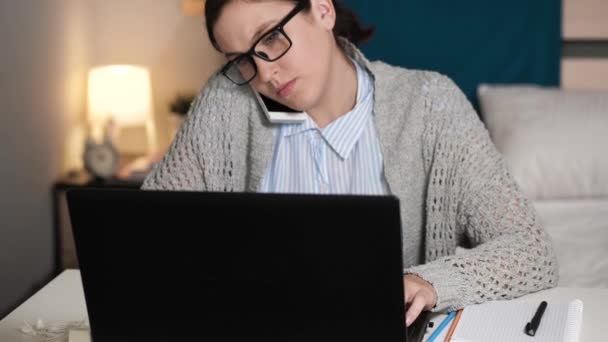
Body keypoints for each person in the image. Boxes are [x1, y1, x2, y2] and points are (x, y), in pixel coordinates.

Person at [142, 0, 558, 327]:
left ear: (322, 9)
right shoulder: (226, 103)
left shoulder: (431, 104)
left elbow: (531, 252)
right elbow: (145, 235)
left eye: (270, 37)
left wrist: (431, 282)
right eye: (243, 59)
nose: (265, 71)